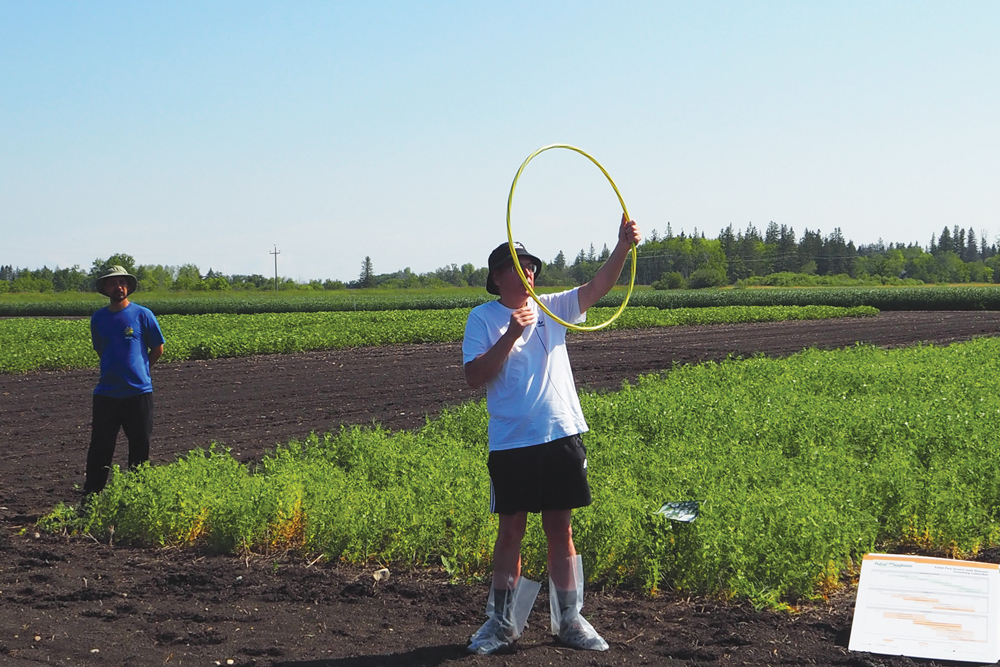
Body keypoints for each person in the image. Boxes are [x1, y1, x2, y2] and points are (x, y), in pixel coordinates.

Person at [462, 214, 642, 654]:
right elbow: (474, 376)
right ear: (497, 277)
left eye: (531, 266)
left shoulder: (554, 307)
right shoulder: (482, 318)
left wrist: (622, 247)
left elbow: (598, 287)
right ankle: (503, 623)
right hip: (512, 443)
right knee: (511, 533)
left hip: (561, 434)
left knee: (560, 531)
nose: (529, 272)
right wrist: (511, 334)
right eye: (519, 266)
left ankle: (570, 621)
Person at [83, 265, 165, 494]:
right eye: (113, 283)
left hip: (138, 393)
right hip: (106, 394)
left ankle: (135, 496)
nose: (119, 287)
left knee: (140, 447)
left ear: (128, 286)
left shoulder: (142, 314)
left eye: (122, 282)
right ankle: (91, 498)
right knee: (100, 448)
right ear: (106, 288)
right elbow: (101, 349)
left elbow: (158, 348)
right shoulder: (99, 318)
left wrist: (142, 370)